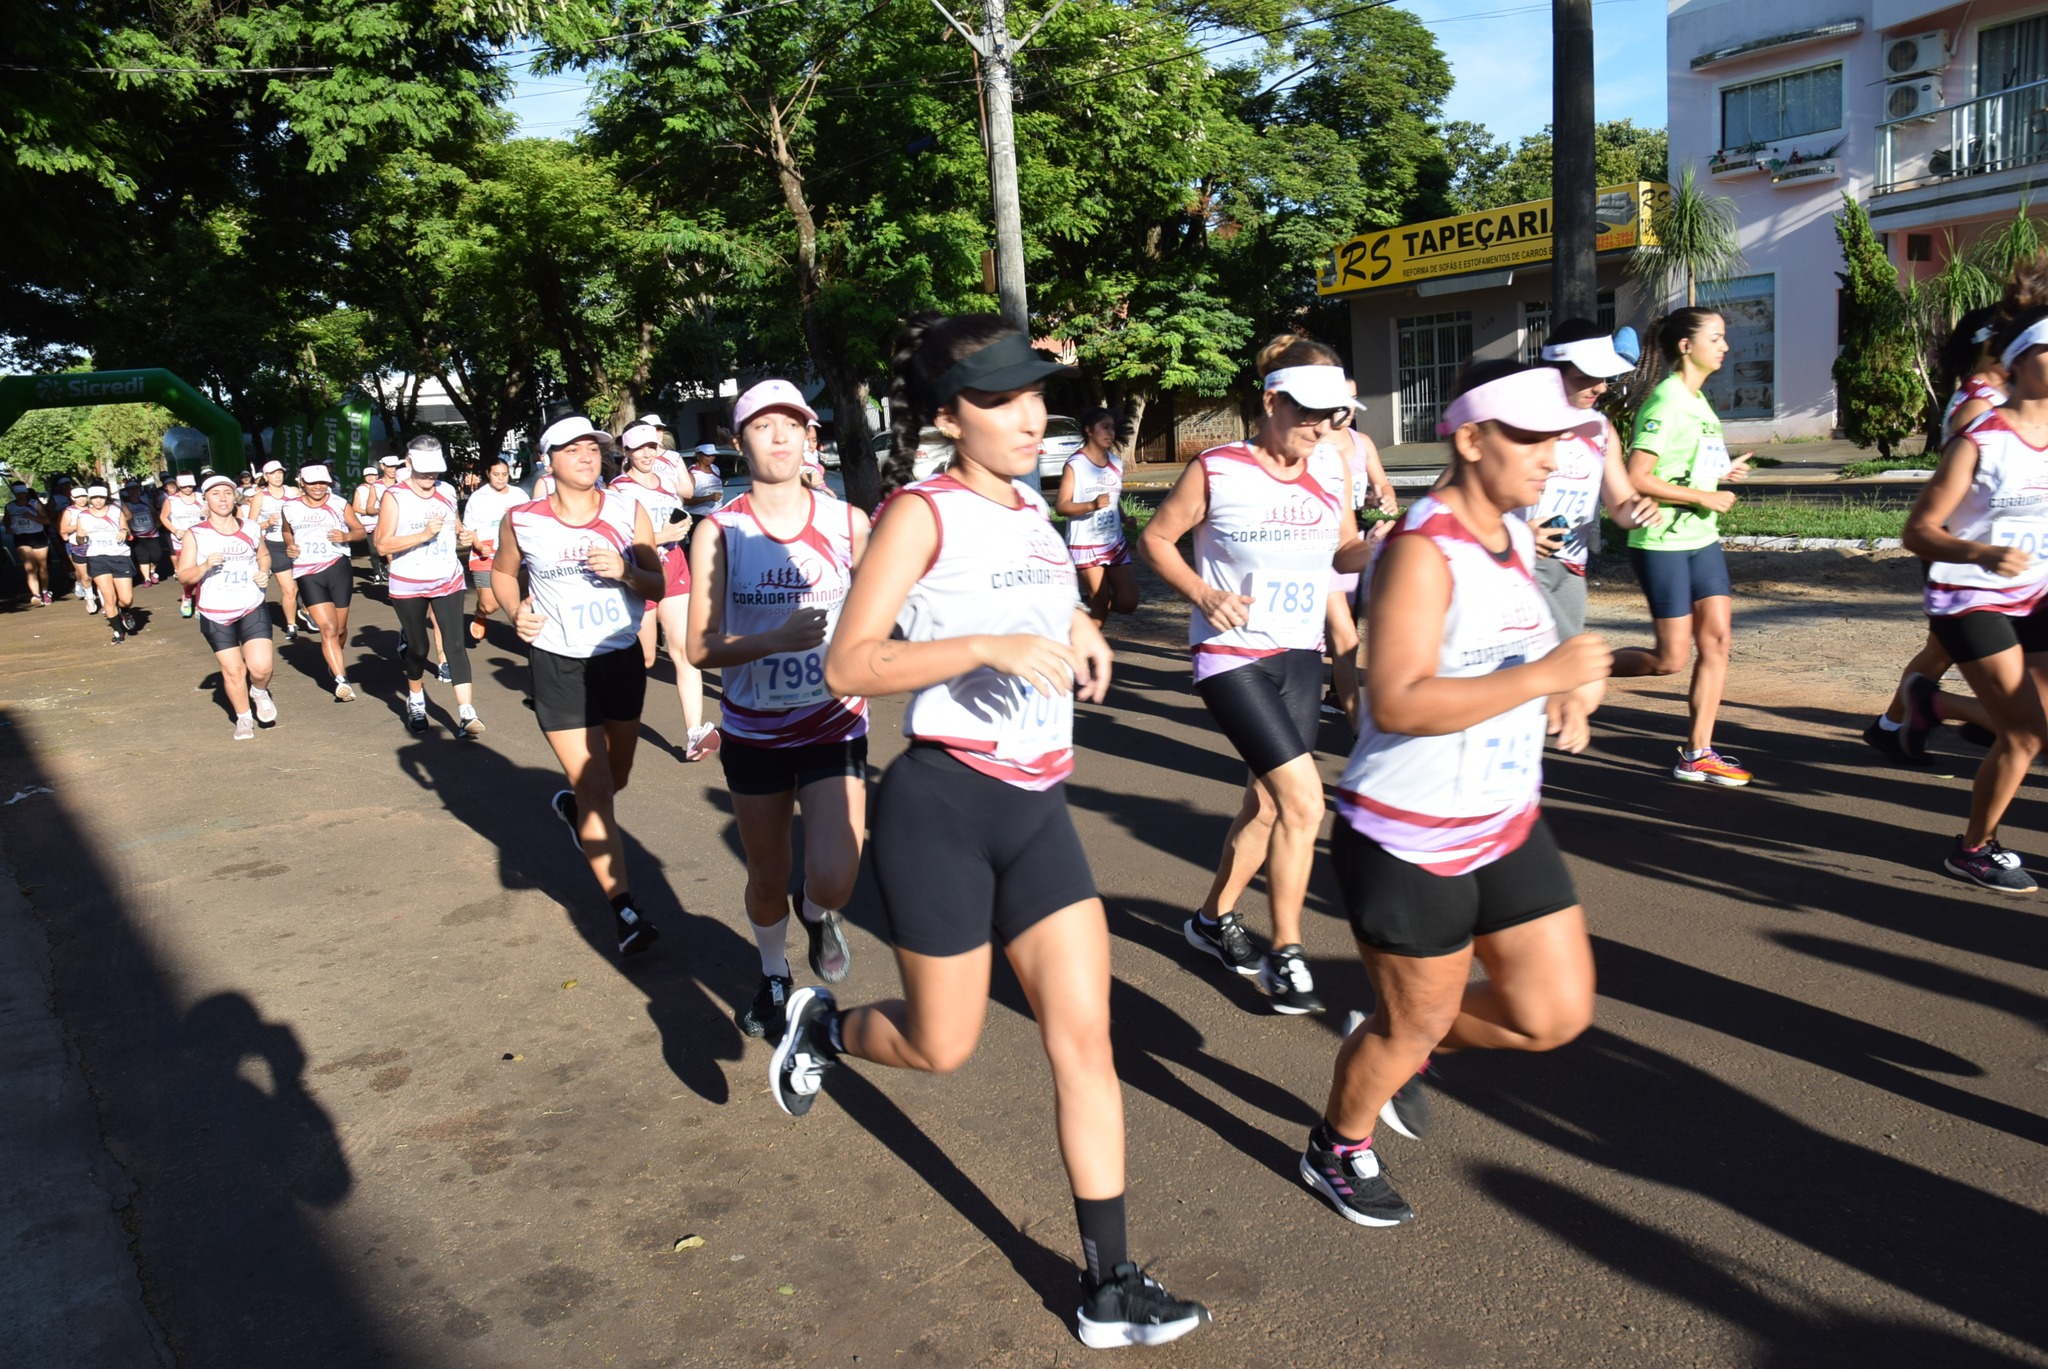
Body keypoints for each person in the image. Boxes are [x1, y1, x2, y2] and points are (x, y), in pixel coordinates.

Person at [772, 313, 1210, 1349]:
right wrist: (986, 646)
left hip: (1038, 806)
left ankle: (1109, 1281)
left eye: (1033, 396)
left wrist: (1078, 630)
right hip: (942, 806)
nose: (1027, 417)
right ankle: (826, 1027)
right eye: (998, 400)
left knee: (1084, 1040)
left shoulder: (1027, 510)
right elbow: (848, 667)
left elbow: (1043, 605)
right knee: (943, 1043)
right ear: (945, 416)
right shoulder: (919, 514)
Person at [1302, 360, 1608, 1229]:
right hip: (1408, 835)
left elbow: (1510, 655)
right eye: (1531, 438)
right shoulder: (1419, 550)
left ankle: (1401, 1037)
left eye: (1560, 439)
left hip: (1506, 818)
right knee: (1410, 1029)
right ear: (1470, 439)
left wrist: (1565, 686)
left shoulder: (1515, 534)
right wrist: (1542, 675)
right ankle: (1337, 1143)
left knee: (1551, 1014)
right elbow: (1392, 700)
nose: (1552, 457)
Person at [1138, 333, 1373, 1015]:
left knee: (1268, 804)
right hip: (1230, 656)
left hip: (1299, 655)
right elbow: (1156, 539)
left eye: (1334, 416)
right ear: (1271, 400)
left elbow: (1347, 549)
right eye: (1307, 412)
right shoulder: (1218, 468)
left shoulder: (1332, 469)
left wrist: (1395, 543)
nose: (1321, 427)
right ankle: (1288, 951)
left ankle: (1211, 919)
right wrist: (1203, 593)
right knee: (1304, 800)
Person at [686, 380, 868, 1039]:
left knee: (836, 875)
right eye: (764, 426)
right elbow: (698, 645)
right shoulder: (721, 530)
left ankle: (818, 914)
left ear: (811, 438)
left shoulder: (849, 523)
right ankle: (772, 975)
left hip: (834, 721)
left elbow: (887, 610)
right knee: (767, 872)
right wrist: (772, 640)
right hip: (755, 731)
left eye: (794, 423)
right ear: (740, 444)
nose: (782, 435)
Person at [491, 415, 667, 958]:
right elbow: (502, 573)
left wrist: (626, 572)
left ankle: (577, 813)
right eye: (573, 449)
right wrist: (514, 609)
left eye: (594, 447)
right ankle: (626, 910)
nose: (588, 456)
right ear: (549, 460)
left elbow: (656, 580)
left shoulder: (625, 509)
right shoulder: (521, 519)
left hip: (618, 658)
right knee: (594, 785)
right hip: (557, 662)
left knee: (617, 776)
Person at [1902, 278, 2048, 893]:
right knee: (2026, 732)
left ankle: (1931, 704)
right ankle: (1973, 848)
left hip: (2037, 596)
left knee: (2036, 725)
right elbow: (1918, 531)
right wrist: (1981, 552)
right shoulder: (1981, 440)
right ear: (2021, 363)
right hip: (1969, 596)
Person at [1609, 309, 1755, 786]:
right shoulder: (1665, 402)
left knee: (1717, 642)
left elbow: (1685, 468)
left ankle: (1698, 753)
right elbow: (1637, 477)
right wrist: (1704, 495)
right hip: (1662, 542)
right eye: (1716, 337)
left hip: (1702, 539)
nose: (1725, 346)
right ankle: (1568, 669)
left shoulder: (1699, 403)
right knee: (1669, 659)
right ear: (1686, 347)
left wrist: (1720, 474)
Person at [1865, 306, 2006, 763]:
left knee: (1942, 650)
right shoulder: (1979, 405)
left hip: (1991, 548)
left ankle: (1894, 726)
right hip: (1968, 548)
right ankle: (1974, 719)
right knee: (1951, 650)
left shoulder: (2000, 396)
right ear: (1991, 345)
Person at [1521, 321, 1663, 638]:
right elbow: (1468, 497)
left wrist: (1641, 509)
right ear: (1552, 374)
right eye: (1586, 378)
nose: (1600, 387)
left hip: (1572, 568)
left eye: (1602, 377)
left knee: (1564, 674)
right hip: (1523, 563)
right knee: (1560, 667)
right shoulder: (1518, 424)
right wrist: (1517, 534)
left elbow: (1622, 505)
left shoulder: (1600, 429)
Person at [612, 422, 718, 761]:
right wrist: (659, 535)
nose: (647, 454)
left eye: (652, 447)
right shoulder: (617, 491)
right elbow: (615, 540)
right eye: (639, 448)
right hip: (638, 575)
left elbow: (683, 507)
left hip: (674, 568)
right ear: (626, 452)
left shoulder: (668, 483)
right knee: (642, 658)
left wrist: (681, 528)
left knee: (684, 652)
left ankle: (694, 733)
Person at [375, 435, 484, 738]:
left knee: (455, 644)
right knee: (419, 647)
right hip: (409, 582)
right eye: (423, 470)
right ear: (408, 464)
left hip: (448, 577)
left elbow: (457, 526)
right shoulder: (394, 496)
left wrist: (465, 537)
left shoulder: (447, 491)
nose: (429, 477)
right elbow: (381, 542)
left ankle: (466, 713)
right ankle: (416, 700)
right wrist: (422, 535)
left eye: (434, 470)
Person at [179, 474, 279, 740]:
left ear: (234, 496)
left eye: (226, 493)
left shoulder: (251, 528)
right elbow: (184, 576)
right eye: (215, 493)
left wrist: (264, 571)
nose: (222, 498)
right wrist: (204, 566)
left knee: (261, 668)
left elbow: (264, 556)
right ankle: (244, 718)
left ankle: (258, 691)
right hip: (215, 611)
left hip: (251, 604)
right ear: (206, 499)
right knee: (234, 670)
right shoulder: (196, 534)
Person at [1324, 378, 1397, 723]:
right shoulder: (1315, 441)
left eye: (1354, 400)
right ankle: (1354, 720)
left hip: (1356, 539)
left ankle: (1337, 693)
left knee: (1348, 624)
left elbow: (1382, 484)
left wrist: (1385, 503)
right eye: (1343, 400)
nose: (1350, 408)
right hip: (1320, 542)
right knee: (1344, 633)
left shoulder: (1361, 442)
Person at [280, 463, 368, 702]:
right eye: (312, 483)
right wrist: (290, 545)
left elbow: (360, 530)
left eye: (323, 483)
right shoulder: (289, 508)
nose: (318, 487)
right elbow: (286, 531)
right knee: (327, 628)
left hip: (337, 567)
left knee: (339, 630)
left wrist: (347, 536)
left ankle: (335, 657)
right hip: (308, 572)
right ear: (302, 483)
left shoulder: (339, 504)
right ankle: (342, 680)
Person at [1054, 408, 1139, 624]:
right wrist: (1091, 505)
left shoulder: (1116, 464)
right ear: (1089, 430)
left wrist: (1124, 517)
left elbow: (1112, 498)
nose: (1110, 432)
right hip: (1085, 543)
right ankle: (1084, 654)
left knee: (1129, 602)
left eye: (1112, 428)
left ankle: (1084, 609)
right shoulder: (1076, 464)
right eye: (1104, 427)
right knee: (1100, 601)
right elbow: (1061, 507)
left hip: (1113, 542)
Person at [460, 456, 524, 643]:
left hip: (514, 551)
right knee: (489, 605)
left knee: (525, 595)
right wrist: (479, 546)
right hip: (485, 551)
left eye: (504, 474)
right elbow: (469, 529)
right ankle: (480, 614)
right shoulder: (478, 497)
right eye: (496, 474)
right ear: (488, 474)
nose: (501, 478)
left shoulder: (519, 495)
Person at [62, 485, 137, 642]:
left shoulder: (115, 511)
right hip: (97, 558)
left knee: (126, 599)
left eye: (101, 498)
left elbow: (126, 529)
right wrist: (80, 537)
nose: (98, 501)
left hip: (119, 556)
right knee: (109, 597)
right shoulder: (83, 515)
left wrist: (124, 531)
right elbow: (80, 539)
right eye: (95, 498)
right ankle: (118, 632)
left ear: (105, 498)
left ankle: (123, 611)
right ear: (90, 499)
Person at [247, 461, 304, 641]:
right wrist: (267, 524)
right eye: (273, 473)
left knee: (305, 584)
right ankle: (291, 625)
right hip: (275, 546)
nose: (278, 476)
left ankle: (305, 610)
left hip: (296, 543)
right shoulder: (260, 497)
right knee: (289, 589)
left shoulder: (293, 492)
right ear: (266, 477)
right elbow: (249, 526)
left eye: (280, 472)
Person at [160, 473, 208, 618]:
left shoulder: (201, 497)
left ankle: (200, 605)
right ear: (179, 485)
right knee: (188, 574)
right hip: (181, 541)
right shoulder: (171, 500)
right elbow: (163, 517)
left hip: (202, 539)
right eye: (184, 486)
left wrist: (209, 510)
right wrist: (174, 530)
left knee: (202, 573)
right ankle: (187, 596)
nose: (188, 489)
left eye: (190, 486)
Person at [7, 482, 51, 605]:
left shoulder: (35, 504)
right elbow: (7, 519)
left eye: (23, 493)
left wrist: (32, 517)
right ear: (15, 493)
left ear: (26, 492)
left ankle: (45, 591)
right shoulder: (10, 506)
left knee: (42, 567)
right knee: (30, 568)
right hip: (21, 537)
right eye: (18, 493)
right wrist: (8, 527)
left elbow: (47, 520)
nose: (21, 495)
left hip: (37, 536)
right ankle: (36, 595)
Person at [120, 479, 165, 587]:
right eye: (131, 489)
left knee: (156, 555)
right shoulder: (125, 505)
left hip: (151, 532)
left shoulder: (145, 500)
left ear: (139, 490)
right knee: (143, 557)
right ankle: (147, 579)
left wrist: (157, 521)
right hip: (137, 534)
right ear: (127, 491)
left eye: (136, 488)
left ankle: (152, 571)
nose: (134, 491)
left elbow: (153, 511)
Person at [683, 445, 725, 520]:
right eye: (708, 455)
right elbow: (686, 501)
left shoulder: (715, 468)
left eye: (713, 455)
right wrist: (709, 498)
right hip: (699, 517)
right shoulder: (692, 474)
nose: (712, 458)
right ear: (698, 455)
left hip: (717, 515)